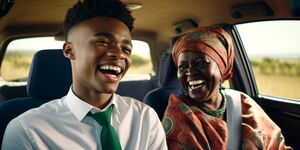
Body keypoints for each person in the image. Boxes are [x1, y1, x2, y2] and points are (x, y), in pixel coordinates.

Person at [1, 0, 167, 149]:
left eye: (126, 49)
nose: (119, 54)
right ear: (69, 50)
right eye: (103, 42)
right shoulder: (27, 130)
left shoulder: (145, 118)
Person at [162, 27, 292, 150]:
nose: (190, 72)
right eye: (182, 67)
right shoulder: (178, 113)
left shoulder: (242, 102)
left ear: (222, 67)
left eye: (201, 63)